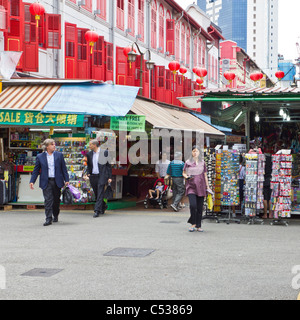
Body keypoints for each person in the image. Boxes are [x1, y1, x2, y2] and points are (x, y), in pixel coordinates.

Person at [29, 139, 69, 226]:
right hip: (46, 181)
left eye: (54, 144)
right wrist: (32, 181)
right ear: (47, 147)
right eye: (52, 144)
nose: (54, 146)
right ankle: (48, 218)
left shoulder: (59, 155)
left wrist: (67, 180)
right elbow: (36, 170)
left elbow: (64, 169)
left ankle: (56, 214)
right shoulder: (40, 156)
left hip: (57, 181)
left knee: (56, 200)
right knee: (48, 200)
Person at [183, 146, 211, 232]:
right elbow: (183, 173)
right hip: (191, 187)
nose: (195, 153)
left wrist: (208, 186)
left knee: (199, 207)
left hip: (201, 187)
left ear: (199, 153)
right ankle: (193, 224)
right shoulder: (188, 162)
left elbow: (205, 175)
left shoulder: (203, 163)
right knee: (193, 205)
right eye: (193, 151)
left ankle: (198, 225)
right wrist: (187, 177)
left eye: (197, 151)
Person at [86, 139, 112, 217]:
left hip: (102, 175)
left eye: (90, 144)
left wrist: (109, 177)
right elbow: (89, 165)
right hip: (93, 175)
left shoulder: (105, 152)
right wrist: (88, 173)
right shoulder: (89, 154)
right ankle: (103, 205)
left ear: (95, 145)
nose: (89, 146)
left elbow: (108, 166)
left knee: (100, 191)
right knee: (97, 193)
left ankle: (96, 210)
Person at [262, 154, 273, 219]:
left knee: (265, 198)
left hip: (264, 181)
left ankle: (265, 214)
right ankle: (270, 214)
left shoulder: (264, 165)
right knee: (270, 198)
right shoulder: (272, 165)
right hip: (271, 181)